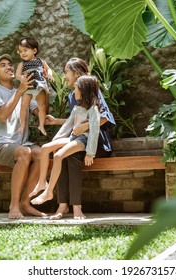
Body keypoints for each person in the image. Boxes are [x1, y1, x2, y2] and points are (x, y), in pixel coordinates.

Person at [44, 57, 115, 220]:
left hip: (97, 143)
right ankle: (63, 205)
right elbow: (75, 120)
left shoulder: (93, 91)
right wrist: (56, 121)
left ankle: (75, 207)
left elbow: (105, 117)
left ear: (76, 73)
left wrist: (85, 126)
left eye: (66, 72)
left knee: (71, 155)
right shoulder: (72, 96)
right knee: (60, 153)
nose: (64, 76)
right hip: (80, 140)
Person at [0, 54, 47, 219]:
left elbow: (42, 113)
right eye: (2, 65)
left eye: (10, 64)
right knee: (24, 152)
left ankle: (25, 203)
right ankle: (13, 206)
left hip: (21, 144)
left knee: (41, 153)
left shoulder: (25, 92)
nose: (9, 67)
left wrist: (44, 85)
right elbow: (3, 115)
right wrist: (20, 90)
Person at [30, 75, 101, 207]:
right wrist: (56, 141)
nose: (74, 92)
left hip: (83, 140)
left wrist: (90, 153)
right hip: (73, 137)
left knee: (58, 155)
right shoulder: (76, 109)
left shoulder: (93, 109)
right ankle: (42, 183)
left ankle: (49, 192)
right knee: (45, 148)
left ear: (84, 90)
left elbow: (95, 131)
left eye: (76, 88)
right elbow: (67, 126)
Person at [16, 37, 54, 137]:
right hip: (28, 87)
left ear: (34, 50)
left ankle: (41, 125)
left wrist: (50, 74)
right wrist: (21, 77)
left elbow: (48, 69)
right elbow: (17, 75)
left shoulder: (41, 61)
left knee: (42, 107)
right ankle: (23, 124)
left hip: (40, 87)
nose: (23, 53)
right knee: (24, 106)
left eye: (25, 50)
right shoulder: (22, 64)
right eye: (20, 51)